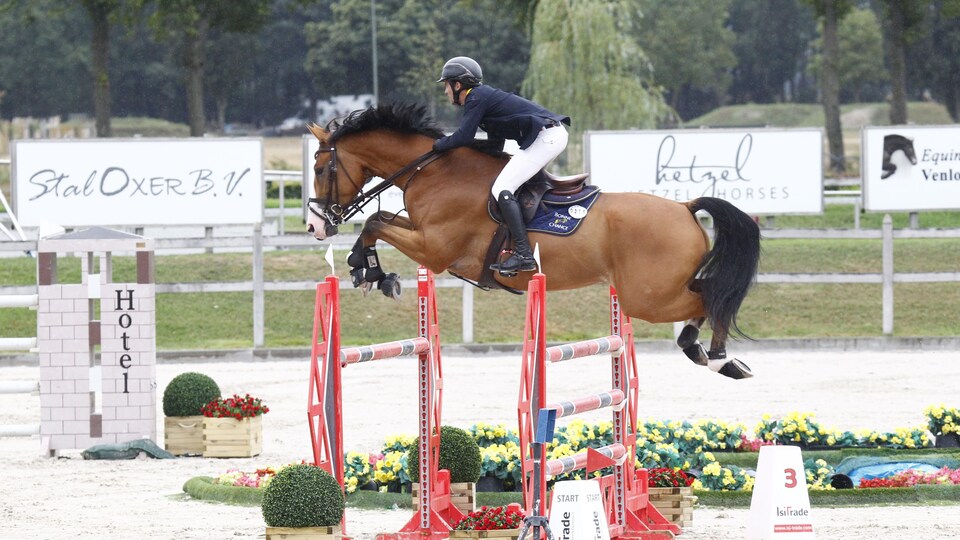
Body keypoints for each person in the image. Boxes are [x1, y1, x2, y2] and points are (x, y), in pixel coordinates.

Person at [433, 56, 570, 275]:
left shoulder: (475, 97)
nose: (445, 91)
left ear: (458, 85)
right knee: (505, 183)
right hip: (548, 135)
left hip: (548, 137)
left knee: (501, 188)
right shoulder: (482, 98)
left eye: (446, 85)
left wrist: (437, 145)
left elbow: (464, 136)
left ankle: (524, 255)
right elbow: (494, 144)